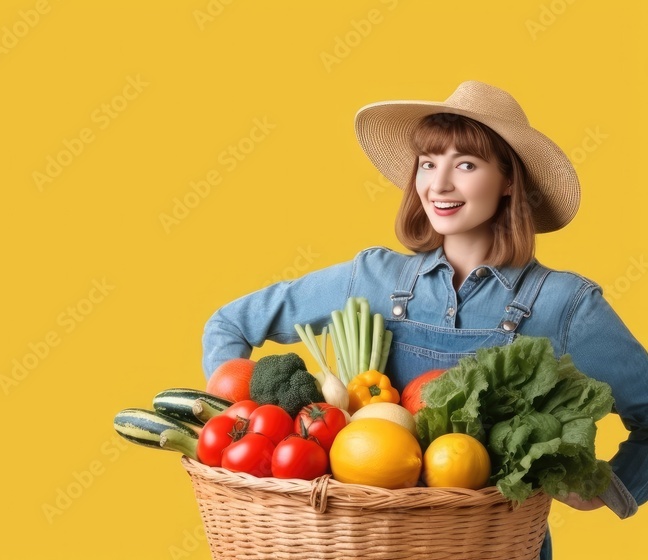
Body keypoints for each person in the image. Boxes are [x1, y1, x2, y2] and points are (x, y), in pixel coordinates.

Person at [200, 81, 646, 559]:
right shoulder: (372, 277)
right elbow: (228, 324)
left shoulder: (563, 303)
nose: (439, 184)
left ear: (509, 180)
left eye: (467, 165)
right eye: (429, 164)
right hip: (371, 548)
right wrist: (240, 425)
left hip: (496, 548)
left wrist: (609, 490)